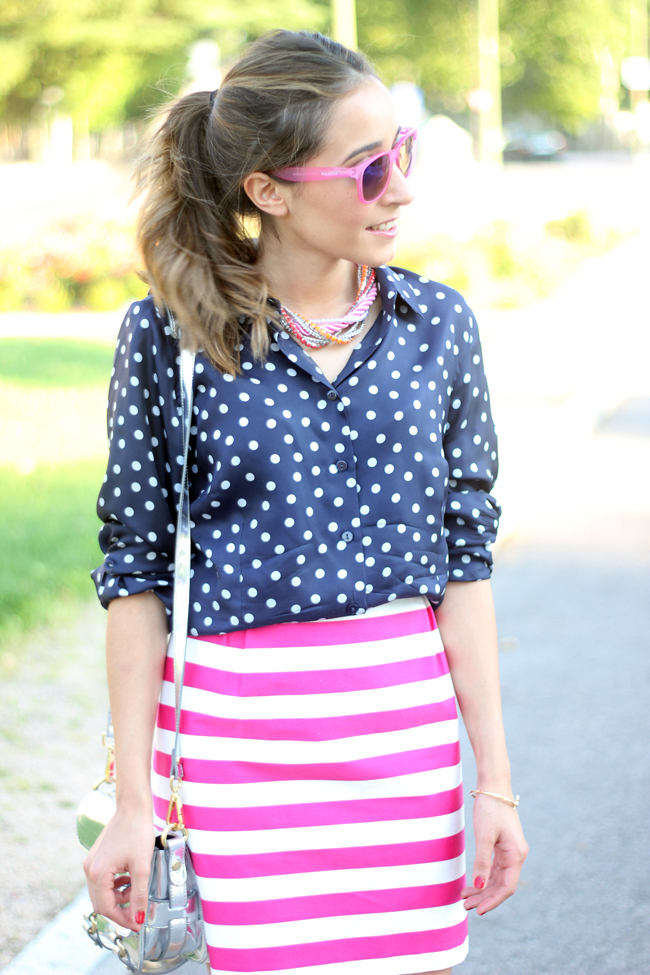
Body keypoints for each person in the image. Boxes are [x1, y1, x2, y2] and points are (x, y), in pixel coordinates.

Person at [84, 29, 528, 975]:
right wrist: (133, 803)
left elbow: (465, 563)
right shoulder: (168, 338)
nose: (400, 188)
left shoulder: (438, 326)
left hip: (402, 740)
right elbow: (135, 575)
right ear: (269, 189)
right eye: (368, 169)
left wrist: (496, 783)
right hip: (233, 750)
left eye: (401, 152)